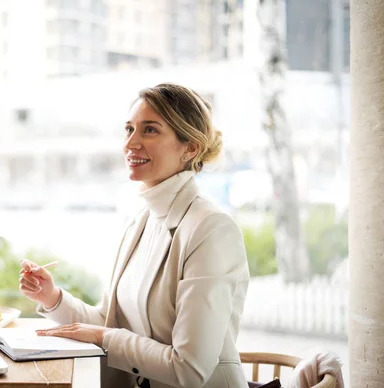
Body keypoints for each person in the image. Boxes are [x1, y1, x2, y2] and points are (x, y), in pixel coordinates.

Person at [19, 83, 250, 388]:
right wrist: (52, 298)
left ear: (190, 148)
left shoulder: (211, 229)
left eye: (150, 130)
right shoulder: (140, 223)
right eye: (128, 129)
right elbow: (109, 322)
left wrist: (104, 337)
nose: (131, 143)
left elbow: (190, 370)